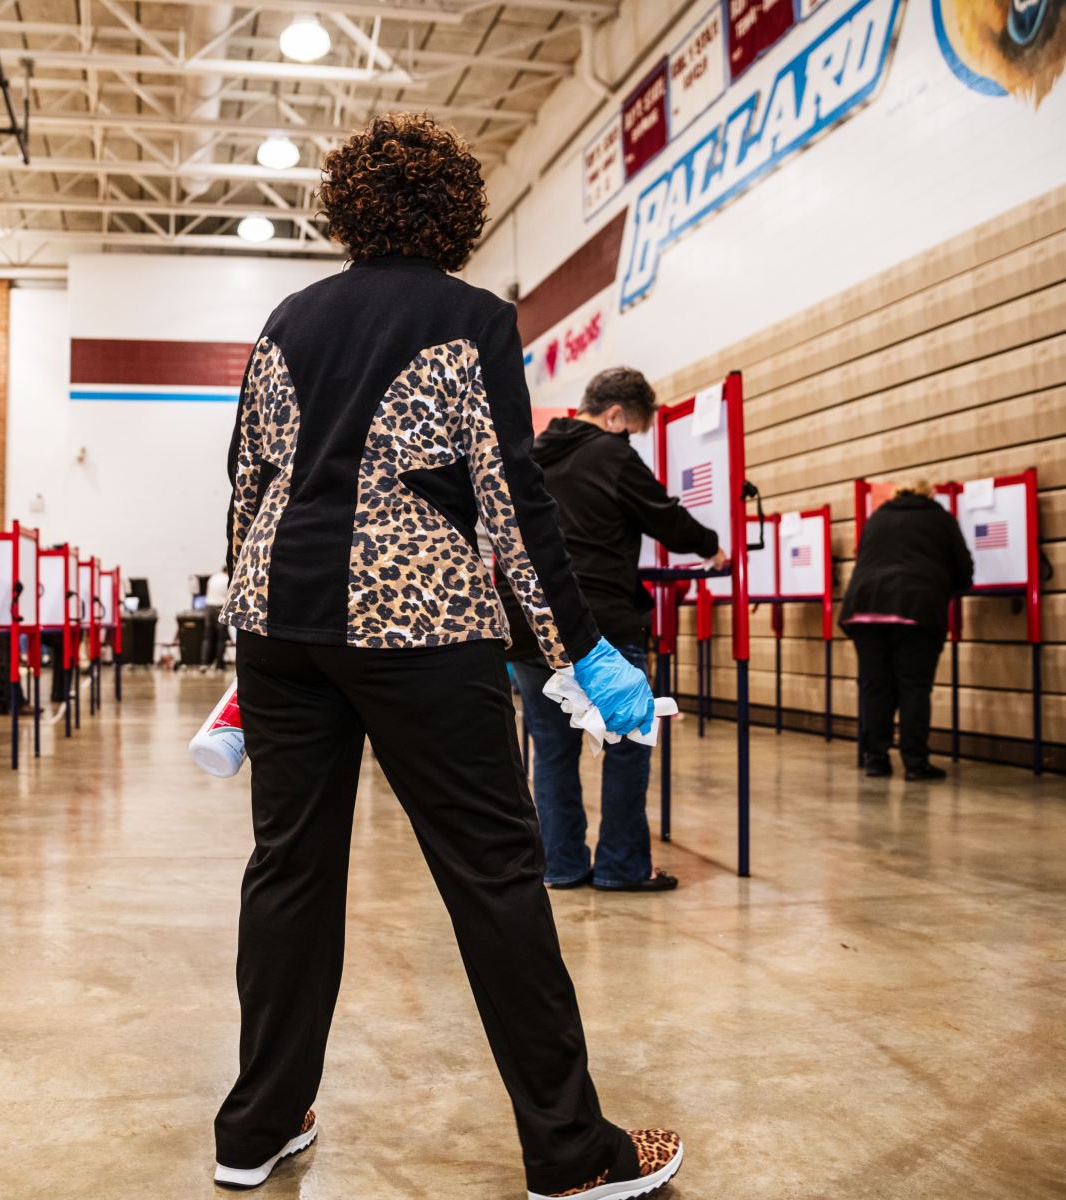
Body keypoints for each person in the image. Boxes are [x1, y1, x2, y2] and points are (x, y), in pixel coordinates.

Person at [212, 113, 681, 1200]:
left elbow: (249, 486)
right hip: (418, 623)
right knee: (495, 876)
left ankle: (256, 1128)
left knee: (289, 869)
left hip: (280, 620)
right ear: (455, 213)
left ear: (349, 208)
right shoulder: (471, 318)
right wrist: (585, 654)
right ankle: (571, 1153)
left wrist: (249, 650)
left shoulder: (286, 319)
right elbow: (512, 506)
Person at [506, 367, 727, 893]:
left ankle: (561, 865)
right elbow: (665, 517)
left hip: (529, 626)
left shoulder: (533, 454)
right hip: (599, 626)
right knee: (628, 743)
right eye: (631, 430)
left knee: (551, 753)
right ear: (614, 416)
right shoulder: (612, 453)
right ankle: (622, 866)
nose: (630, 440)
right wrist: (713, 547)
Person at [842, 479, 974, 781]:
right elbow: (964, 570)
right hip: (915, 608)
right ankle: (915, 763)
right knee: (913, 686)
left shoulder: (878, 516)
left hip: (865, 608)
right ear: (930, 494)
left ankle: (875, 758)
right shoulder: (939, 518)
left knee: (876, 686)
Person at [205, 566, 231, 669]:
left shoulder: (213, 578)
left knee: (207, 637)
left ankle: (205, 663)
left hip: (208, 608)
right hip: (219, 608)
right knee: (221, 638)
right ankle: (219, 664)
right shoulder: (226, 580)